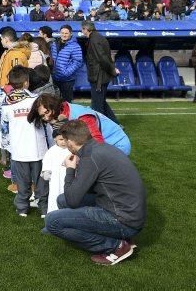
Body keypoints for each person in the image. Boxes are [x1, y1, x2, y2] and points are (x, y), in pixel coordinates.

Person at [44, 120, 146, 266]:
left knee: (52, 221)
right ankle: (119, 237)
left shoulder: (89, 158)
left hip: (124, 221)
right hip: (127, 211)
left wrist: (70, 169)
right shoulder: (99, 147)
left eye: (65, 141)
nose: (65, 145)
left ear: (71, 141)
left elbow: (73, 199)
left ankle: (116, 245)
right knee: (62, 201)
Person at [0, 66, 51, 217]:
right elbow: (46, 123)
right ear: (27, 82)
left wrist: (6, 144)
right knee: (41, 182)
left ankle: (22, 208)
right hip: (38, 149)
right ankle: (44, 209)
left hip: (18, 150)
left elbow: (3, 127)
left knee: (22, 183)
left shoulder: (5, 103)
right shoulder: (36, 100)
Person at [27, 94, 131, 155]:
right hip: (103, 144)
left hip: (116, 144)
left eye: (47, 112)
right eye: (42, 116)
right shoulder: (60, 114)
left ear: (54, 107)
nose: (46, 118)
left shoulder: (82, 117)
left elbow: (97, 142)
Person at [81, 21, 119, 123]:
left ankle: (102, 126)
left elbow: (102, 58)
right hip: (100, 75)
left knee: (97, 105)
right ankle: (115, 123)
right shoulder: (99, 37)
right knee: (100, 101)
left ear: (85, 29)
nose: (81, 31)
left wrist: (112, 70)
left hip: (98, 77)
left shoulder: (93, 40)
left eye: (82, 29)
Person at [37, 129, 70, 217]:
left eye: (65, 139)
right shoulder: (52, 151)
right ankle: (53, 212)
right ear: (55, 139)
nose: (64, 142)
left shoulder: (70, 150)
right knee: (55, 194)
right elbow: (46, 163)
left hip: (68, 177)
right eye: (61, 139)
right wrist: (46, 176)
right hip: (55, 178)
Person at [50, 25, 83, 102]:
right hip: (55, 78)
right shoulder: (54, 44)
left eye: (66, 33)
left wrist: (66, 72)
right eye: (62, 33)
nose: (64, 35)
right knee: (55, 102)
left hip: (67, 80)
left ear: (70, 34)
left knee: (66, 102)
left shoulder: (75, 46)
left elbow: (78, 62)